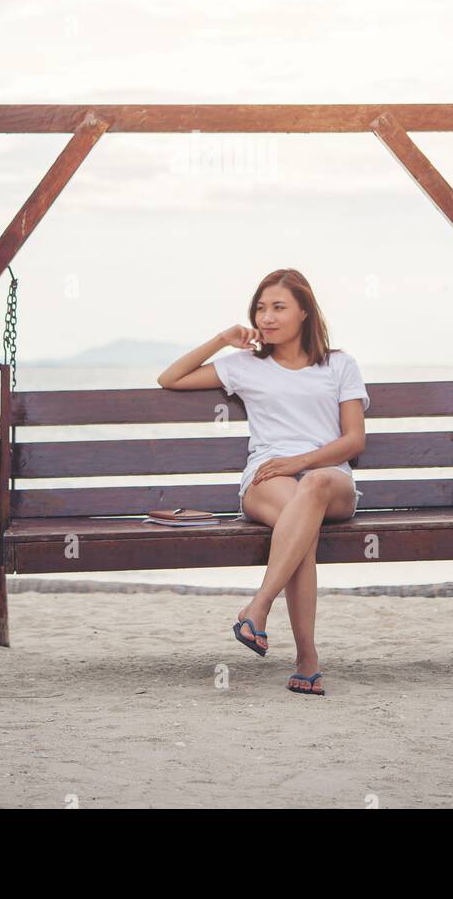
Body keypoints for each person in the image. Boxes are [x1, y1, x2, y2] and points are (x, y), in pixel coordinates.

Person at [156, 267, 369, 697]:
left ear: (305, 312)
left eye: (278, 308)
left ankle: (260, 605)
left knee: (311, 491)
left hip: (330, 480)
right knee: (301, 528)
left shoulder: (339, 365)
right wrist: (222, 340)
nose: (266, 317)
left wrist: (301, 462)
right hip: (267, 478)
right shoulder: (245, 366)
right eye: (260, 308)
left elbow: (353, 440)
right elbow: (170, 378)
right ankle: (307, 660)